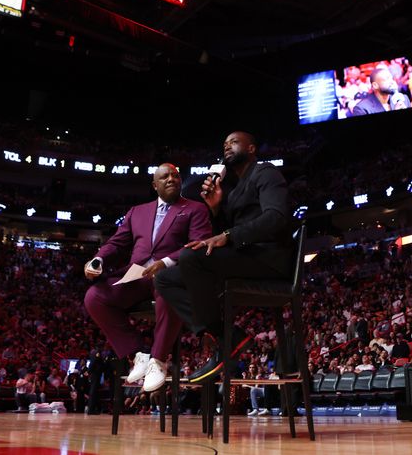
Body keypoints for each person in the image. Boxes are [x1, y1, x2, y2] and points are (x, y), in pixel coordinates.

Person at [155, 132, 294, 383]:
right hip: (246, 257)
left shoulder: (266, 172)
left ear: (251, 147)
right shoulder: (235, 189)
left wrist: (228, 235)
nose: (227, 146)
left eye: (233, 142)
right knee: (165, 279)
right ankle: (227, 336)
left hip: (269, 258)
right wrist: (216, 207)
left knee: (191, 257)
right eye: (224, 144)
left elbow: (276, 217)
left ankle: (225, 343)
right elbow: (228, 231)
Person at [84, 163, 212, 392]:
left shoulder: (195, 209)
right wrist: (98, 260)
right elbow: (117, 243)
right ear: (155, 185)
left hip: (170, 273)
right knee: (94, 296)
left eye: (175, 175)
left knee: (168, 287)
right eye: (164, 177)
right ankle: (138, 355)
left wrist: (167, 261)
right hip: (137, 274)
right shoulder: (137, 211)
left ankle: (158, 360)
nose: (171, 179)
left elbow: (199, 245)